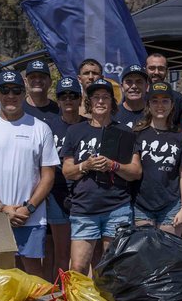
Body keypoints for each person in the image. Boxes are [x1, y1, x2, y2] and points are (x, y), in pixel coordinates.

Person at [0, 70, 59, 276]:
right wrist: (1, 208)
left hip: (31, 218)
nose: (11, 95)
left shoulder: (40, 128)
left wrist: (29, 208)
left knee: (33, 274)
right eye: (5, 90)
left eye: (16, 90)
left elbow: (48, 175)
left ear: (23, 92)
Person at [61, 79, 142, 272]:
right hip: (84, 208)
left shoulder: (125, 132)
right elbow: (67, 171)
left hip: (117, 207)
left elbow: (135, 172)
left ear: (112, 103)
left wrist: (113, 165)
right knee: (78, 266)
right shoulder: (75, 131)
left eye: (105, 97)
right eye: (95, 97)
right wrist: (86, 165)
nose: (100, 101)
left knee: (112, 268)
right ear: (88, 101)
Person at [133, 84, 182, 236]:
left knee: (168, 257)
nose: (160, 105)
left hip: (171, 207)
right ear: (148, 104)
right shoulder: (137, 133)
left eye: (165, 101)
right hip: (141, 206)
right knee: (144, 254)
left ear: (172, 105)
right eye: (155, 101)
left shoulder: (181, 136)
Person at [44, 76, 85, 279]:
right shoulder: (48, 127)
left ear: (80, 99)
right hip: (56, 195)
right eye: (63, 96)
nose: (68, 99)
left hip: (86, 196)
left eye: (73, 95)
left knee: (84, 256)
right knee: (61, 255)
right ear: (58, 100)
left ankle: (82, 300)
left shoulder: (90, 125)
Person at [145, 52, 182, 128]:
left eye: (161, 68)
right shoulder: (138, 97)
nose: (156, 72)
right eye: (152, 68)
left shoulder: (178, 99)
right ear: (145, 70)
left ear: (166, 71)